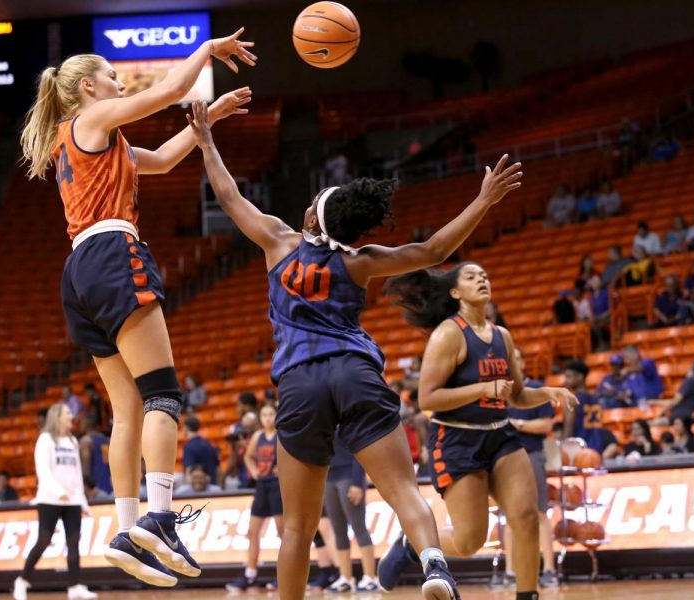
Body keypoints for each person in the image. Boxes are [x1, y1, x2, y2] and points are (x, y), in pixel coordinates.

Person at [190, 99, 524, 600]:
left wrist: (206, 140)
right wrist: (483, 201)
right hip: (355, 372)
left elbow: (229, 194)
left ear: (310, 216)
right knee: (402, 491)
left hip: (300, 382)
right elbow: (433, 252)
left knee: (299, 527)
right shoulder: (360, 262)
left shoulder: (278, 242)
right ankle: (435, 566)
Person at [19, 27, 256, 587]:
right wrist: (206, 51)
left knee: (126, 409)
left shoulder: (91, 141)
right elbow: (167, 89)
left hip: (79, 270)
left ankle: (129, 530)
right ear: (84, 87)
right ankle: (162, 517)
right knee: (163, 394)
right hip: (110, 252)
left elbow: (168, 160)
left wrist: (208, 123)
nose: (119, 82)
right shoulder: (90, 121)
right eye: (111, 76)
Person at [381, 263, 576, 600]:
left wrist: (546, 393)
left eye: (485, 275)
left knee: (527, 516)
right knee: (470, 542)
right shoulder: (448, 334)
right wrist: (482, 389)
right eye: (471, 277)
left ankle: (527, 596)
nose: (482, 279)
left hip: (500, 436)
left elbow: (514, 394)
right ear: (455, 292)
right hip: (457, 440)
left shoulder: (502, 336)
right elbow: (428, 398)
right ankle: (413, 544)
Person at [13, 403, 95, 600]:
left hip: (72, 500)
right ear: (57, 417)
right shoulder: (45, 439)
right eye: (67, 413)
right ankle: (22, 581)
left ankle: (74, 587)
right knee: (43, 540)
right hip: (49, 499)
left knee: (74, 542)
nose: (71, 416)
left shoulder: (73, 441)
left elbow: (77, 475)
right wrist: (59, 492)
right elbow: (43, 471)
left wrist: (82, 501)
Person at [504, 348, 559, 589]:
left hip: (532, 455)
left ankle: (548, 569)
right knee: (509, 515)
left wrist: (518, 423)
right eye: (509, 359)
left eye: (517, 358)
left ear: (523, 362)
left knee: (539, 512)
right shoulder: (497, 391)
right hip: (505, 458)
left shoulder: (536, 389)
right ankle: (510, 570)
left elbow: (546, 425)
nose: (513, 362)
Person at [226, 404, 284, 592]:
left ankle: (283, 575)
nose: (267, 418)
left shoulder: (282, 435)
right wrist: (254, 472)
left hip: (278, 486)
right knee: (253, 532)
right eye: (264, 415)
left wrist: (282, 470)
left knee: (283, 533)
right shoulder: (258, 436)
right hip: (262, 485)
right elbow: (249, 457)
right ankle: (250, 574)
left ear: (277, 415)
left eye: (271, 414)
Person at [323, 434, 379, 593]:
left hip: (348, 476)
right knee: (338, 529)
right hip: (328, 478)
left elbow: (359, 452)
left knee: (358, 526)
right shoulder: (323, 421)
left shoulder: (348, 420)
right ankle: (346, 578)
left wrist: (357, 482)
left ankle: (370, 577)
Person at [562, 361, 614, 455]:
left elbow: (568, 429)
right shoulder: (596, 398)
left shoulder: (571, 399)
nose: (565, 381)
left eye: (569, 376)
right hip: (597, 450)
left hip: (580, 452)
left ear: (580, 377)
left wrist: (564, 451)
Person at [78, 411, 113, 496]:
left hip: (93, 489)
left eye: (81, 421)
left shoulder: (85, 441)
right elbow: (107, 463)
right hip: (108, 486)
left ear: (86, 423)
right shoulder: (106, 440)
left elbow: (86, 470)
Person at [181, 415, 220, 485]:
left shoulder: (189, 447)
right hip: (212, 487)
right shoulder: (209, 444)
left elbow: (188, 472)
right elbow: (218, 470)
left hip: (198, 489)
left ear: (186, 428)